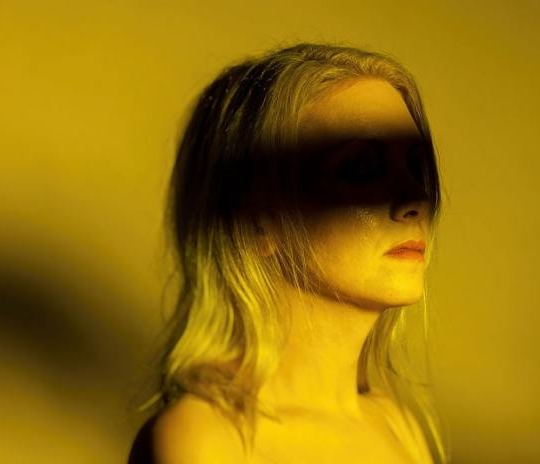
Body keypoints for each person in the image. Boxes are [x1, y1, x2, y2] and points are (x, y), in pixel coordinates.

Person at [128, 41, 448, 463]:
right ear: (259, 219)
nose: (414, 199)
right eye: (361, 169)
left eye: (416, 167)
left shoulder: (399, 426)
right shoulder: (204, 440)